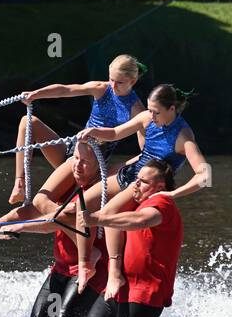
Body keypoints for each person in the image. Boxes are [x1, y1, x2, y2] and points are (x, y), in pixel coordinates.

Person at [68, 159, 184, 317]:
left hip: (146, 295)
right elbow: (113, 215)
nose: (135, 185)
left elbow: (139, 221)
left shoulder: (162, 203)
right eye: (135, 179)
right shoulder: (139, 198)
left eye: (142, 181)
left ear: (159, 186)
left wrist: (94, 218)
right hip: (119, 287)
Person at [3, 154, 107, 317]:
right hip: (61, 272)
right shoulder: (67, 184)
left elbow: (56, 222)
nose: (76, 165)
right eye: (75, 158)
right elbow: (34, 210)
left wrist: (20, 227)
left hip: (89, 273)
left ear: (99, 166)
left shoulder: (98, 193)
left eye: (84, 161)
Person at [8, 54, 147, 210]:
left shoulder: (136, 109)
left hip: (92, 162)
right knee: (28, 122)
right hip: (74, 150)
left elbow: (145, 149)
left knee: (41, 201)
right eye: (111, 79)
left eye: (119, 82)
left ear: (132, 81)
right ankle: (20, 182)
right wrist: (36, 94)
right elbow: (67, 90)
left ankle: (65, 216)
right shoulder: (102, 89)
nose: (113, 86)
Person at [78, 83, 211, 212]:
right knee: (82, 203)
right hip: (129, 174)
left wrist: (173, 194)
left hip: (147, 184)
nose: (152, 116)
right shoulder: (147, 117)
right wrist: (94, 131)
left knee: (108, 214)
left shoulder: (183, 136)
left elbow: (205, 175)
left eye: (156, 112)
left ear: (171, 109)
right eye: (150, 110)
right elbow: (115, 133)